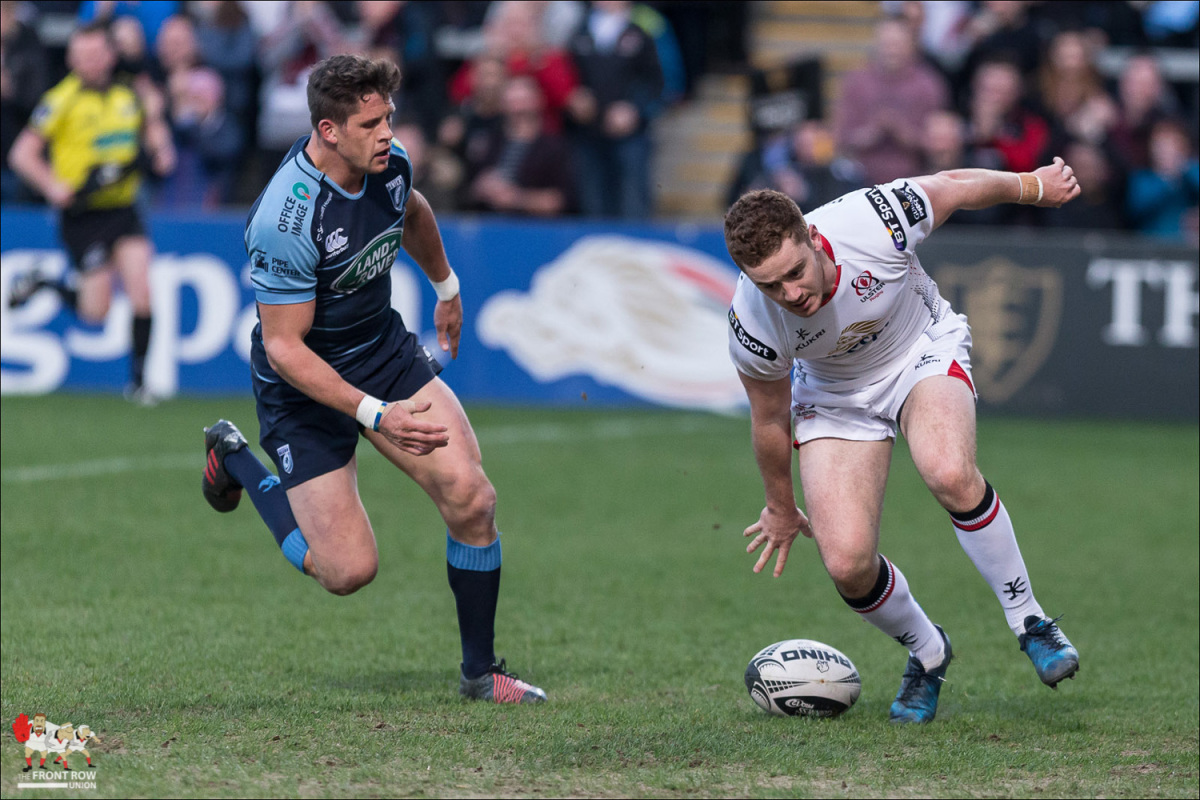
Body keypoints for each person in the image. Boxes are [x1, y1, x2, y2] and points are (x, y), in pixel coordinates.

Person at [200, 53, 547, 705]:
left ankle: (481, 673)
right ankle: (236, 458)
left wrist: (447, 286)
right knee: (347, 571)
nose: (387, 133)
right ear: (329, 131)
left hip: (381, 354)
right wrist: (375, 414)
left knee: (473, 498)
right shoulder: (285, 219)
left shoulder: (390, 165)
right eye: (370, 124)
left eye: (388, 117)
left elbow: (412, 213)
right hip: (302, 388)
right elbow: (284, 348)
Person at [722, 158, 1082, 723]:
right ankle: (928, 651)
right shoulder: (752, 323)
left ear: (812, 237)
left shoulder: (873, 219)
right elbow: (769, 420)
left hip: (920, 351)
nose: (789, 293)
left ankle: (1030, 620)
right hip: (834, 398)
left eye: (795, 272)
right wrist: (780, 507)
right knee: (847, 565)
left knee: (948, 471)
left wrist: (1034, 186)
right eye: (770, 285)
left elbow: (954, 187)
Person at [7, 19, 175, 404]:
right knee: (95, 312)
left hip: (124, 207)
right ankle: (45, 283)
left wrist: (162, 148)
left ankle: (139, 384)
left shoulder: (128, 93)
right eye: (82, 55)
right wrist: (52, 185)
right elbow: (22, 155)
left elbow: (152, 130)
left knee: (142, 291)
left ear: (110, 55)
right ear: (71, 58)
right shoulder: (60, 100)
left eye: (97, 53)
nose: (90, 61)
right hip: (83, 215)